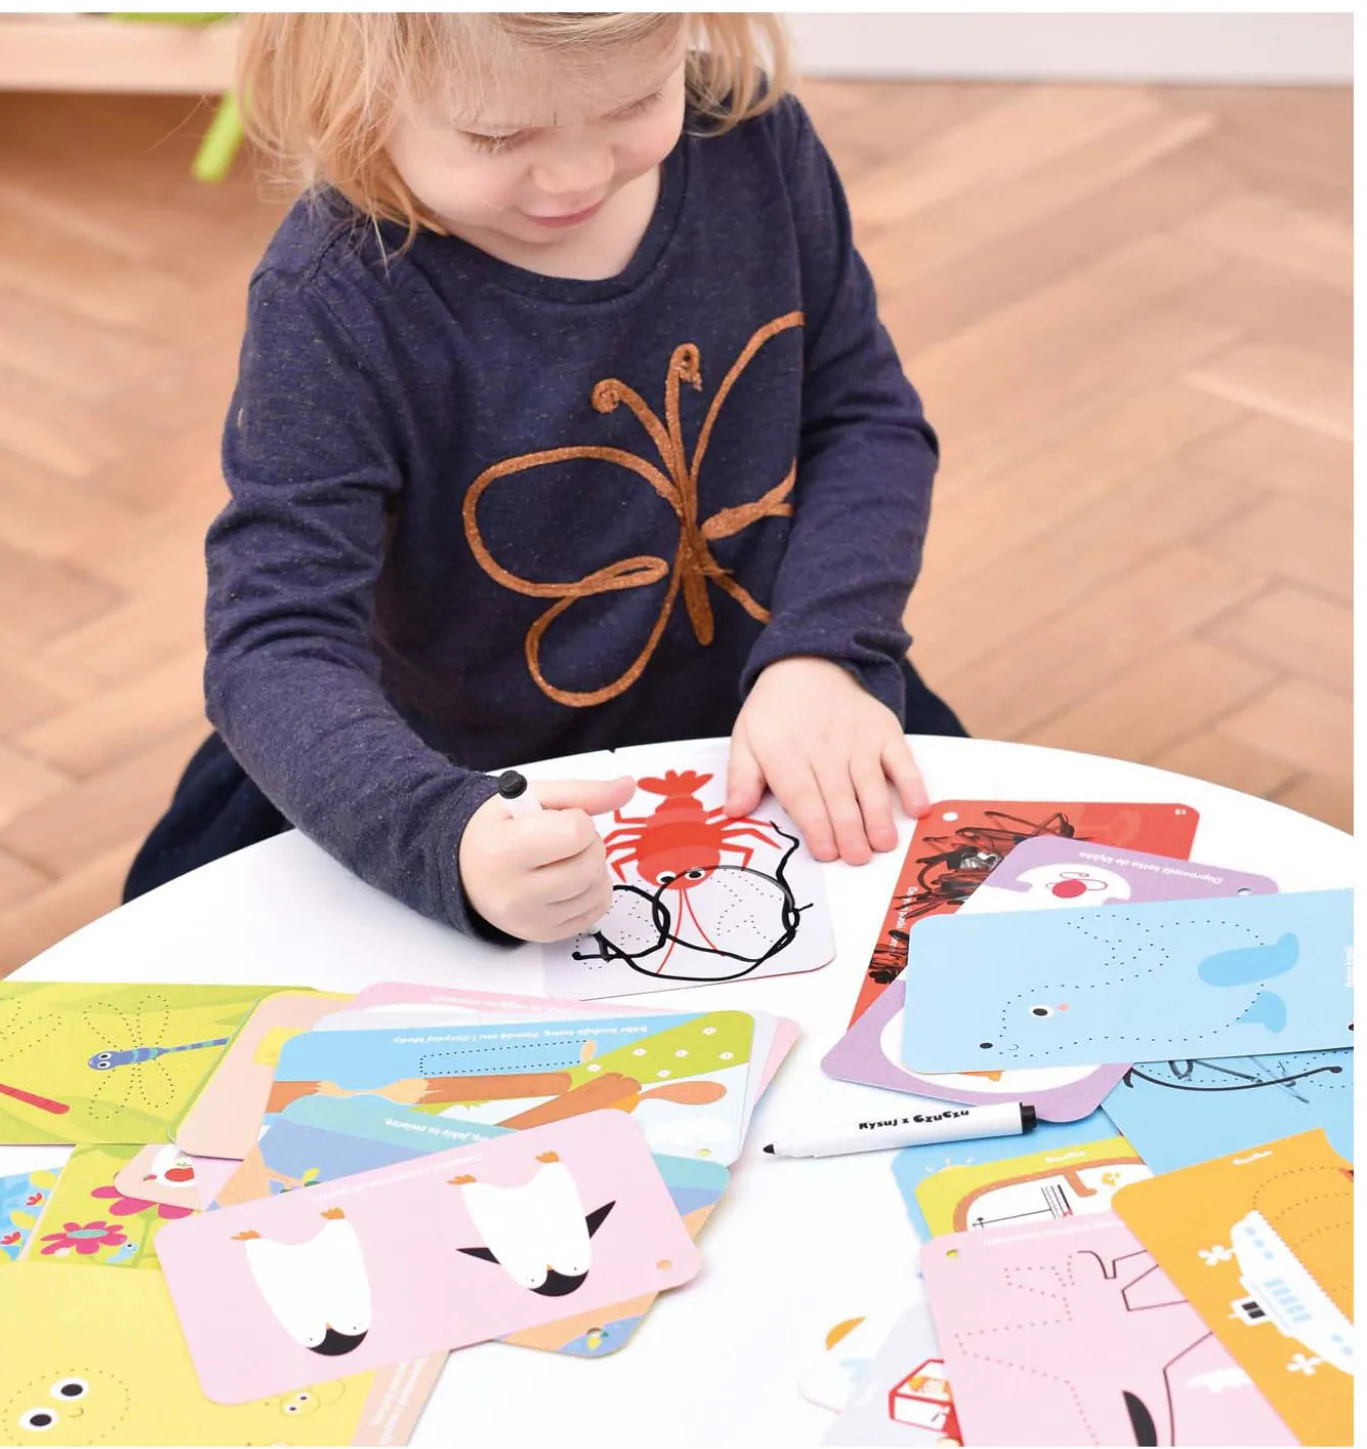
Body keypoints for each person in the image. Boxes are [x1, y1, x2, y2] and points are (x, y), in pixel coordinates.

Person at [126, 12, 966, 944]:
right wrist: (446, 836)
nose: (577, 176)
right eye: (498, 136)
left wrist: (825, 655)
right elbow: (275, 642)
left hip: (788, 705)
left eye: (634, 103)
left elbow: (862, 418)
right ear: (356, 90)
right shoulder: (331, 300)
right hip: (445, 781)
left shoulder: (753, 140)